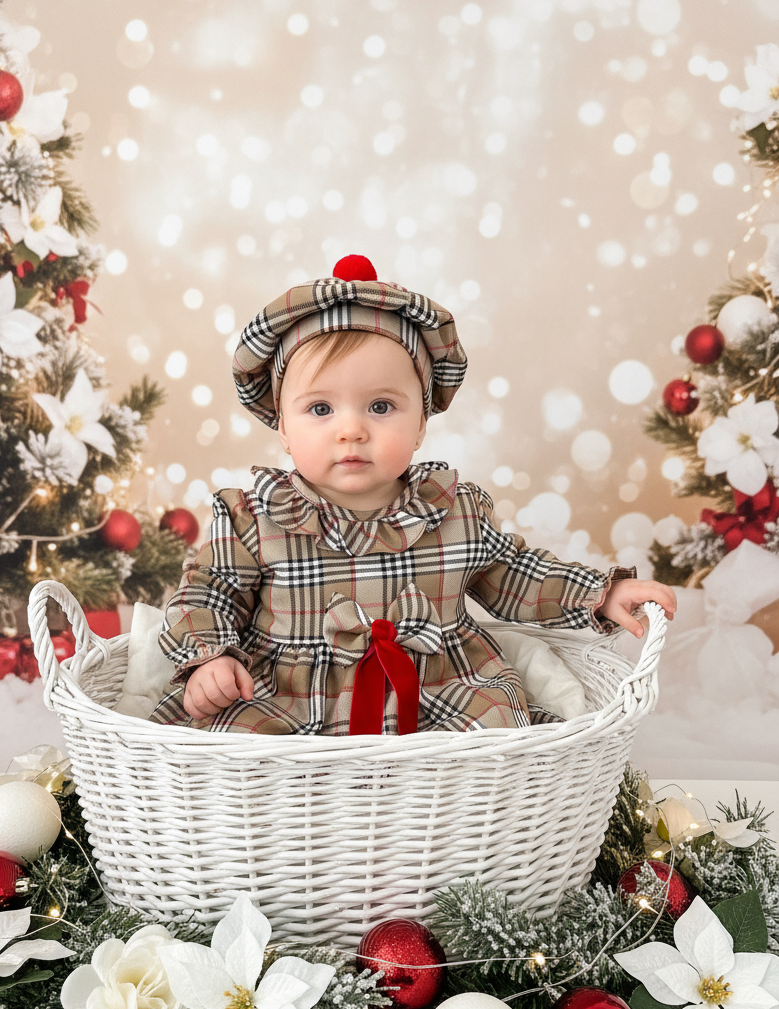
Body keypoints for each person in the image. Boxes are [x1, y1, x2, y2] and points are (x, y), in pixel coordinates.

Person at [151, 256, 676, 735]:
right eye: (320, 409)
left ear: (422, 423)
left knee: (493, 732)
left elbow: (517, 575)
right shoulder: (254, 518)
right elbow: (208, 591)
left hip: (436, 688)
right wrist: (210, 658)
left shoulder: (451, 512)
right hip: (289, 695)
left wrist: (598, 594)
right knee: (233, 739)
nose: (351, 430)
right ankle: (289, 832)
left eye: (381, 407)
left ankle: (455, 829)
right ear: (282, 426)